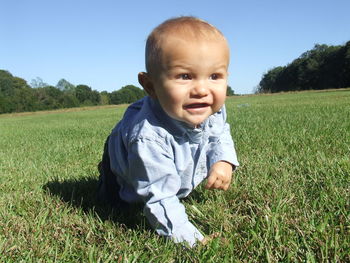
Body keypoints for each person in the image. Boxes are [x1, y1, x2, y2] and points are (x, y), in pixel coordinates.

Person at [97, 16, 239, 247]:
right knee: (118, 201)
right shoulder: (147, 138)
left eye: (214, 76)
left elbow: (220, 132)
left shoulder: (212, 110)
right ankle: (107, 173)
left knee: (171, 178)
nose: (202, 90)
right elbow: (160, 198)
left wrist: (223, 160)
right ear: (151, 86)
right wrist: (192, 241)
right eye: (185, 76)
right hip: (123, 153)